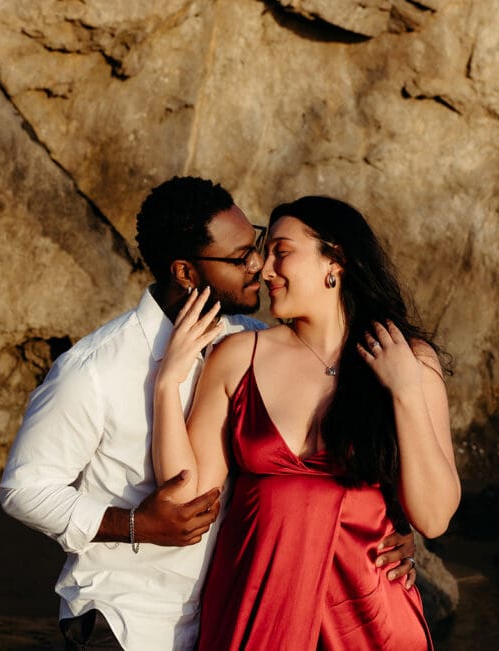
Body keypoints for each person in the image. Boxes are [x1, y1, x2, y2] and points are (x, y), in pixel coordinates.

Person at [0, 178, 418, 651]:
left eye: (255, 246)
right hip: (124, 621)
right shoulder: (95, 369)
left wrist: (392, 525)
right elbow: (24, 489)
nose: (258, 265)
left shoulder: (248, 343)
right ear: (186, 272)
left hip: (224, 613)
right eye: (240, 258)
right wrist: (135, 524)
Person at [153, 195, 460, 650]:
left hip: (368, 618)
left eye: (281, 252)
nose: (265, 269)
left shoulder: (408, 360)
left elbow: (433, 519)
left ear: (334, 260)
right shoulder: (238, 357)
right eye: (265, 254)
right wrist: (167, 384)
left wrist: (407, 392)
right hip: (256, 607)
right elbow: (187, 499)